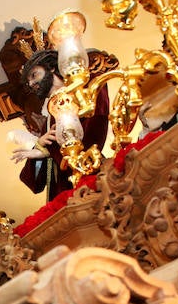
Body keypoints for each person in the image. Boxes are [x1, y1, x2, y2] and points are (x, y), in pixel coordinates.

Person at [10, 49, 110, 200]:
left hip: (93, 179)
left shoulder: (85, 89)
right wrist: (40, 148)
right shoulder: (48, 124)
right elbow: (34, 184)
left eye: (34, 75)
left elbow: (94, 138)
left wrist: (52, 150)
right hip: (63, 195)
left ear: (50, 67)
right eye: (28, 82)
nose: (31, 84)